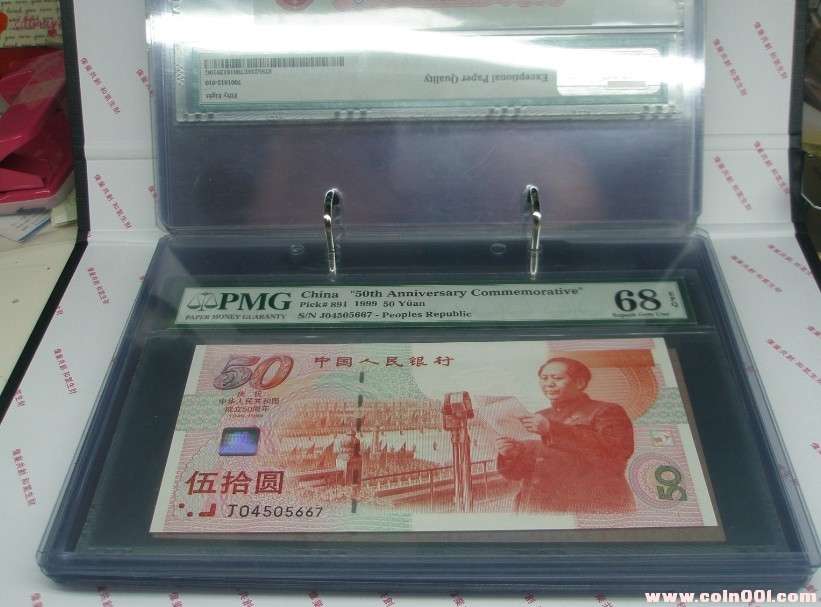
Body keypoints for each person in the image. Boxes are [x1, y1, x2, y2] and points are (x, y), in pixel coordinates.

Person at [495, 357, 635, 513]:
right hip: (536, 508)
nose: (549, 384)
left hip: (587, 507)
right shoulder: (540, 415)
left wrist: (552, 429)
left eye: (557, 378)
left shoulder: (607, 411)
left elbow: (617, 452)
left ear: (579, 383)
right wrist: (512, 455)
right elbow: (520, 474)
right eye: (544, 378)